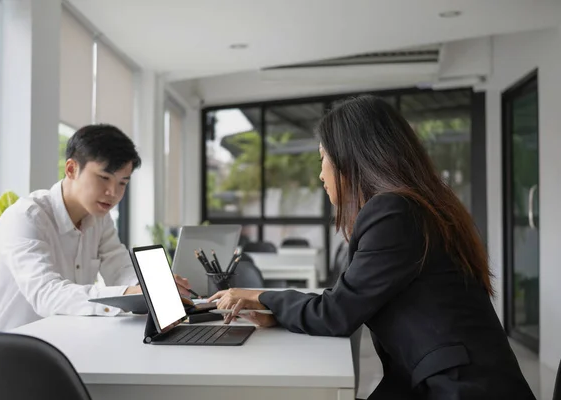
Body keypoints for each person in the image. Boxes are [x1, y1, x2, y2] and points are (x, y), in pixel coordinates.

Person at [209, 96, 536, 399]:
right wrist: (276, 311)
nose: (321, 173)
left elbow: (336, 314)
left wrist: (258, 295)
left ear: (350, 159)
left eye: (322, 158)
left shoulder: (395, 213)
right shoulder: (415, 207)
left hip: (461, 389)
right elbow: (343, 301)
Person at [0, 124, 192, 331]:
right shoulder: (25, 218)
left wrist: (152, 286)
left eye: (122, 183)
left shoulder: (99, 219)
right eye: (104, 178)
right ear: (72, 169)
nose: (113, 192)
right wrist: (133, 292)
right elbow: (47, 295)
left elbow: (119, 269)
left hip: (66, 339)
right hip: (8, 348)